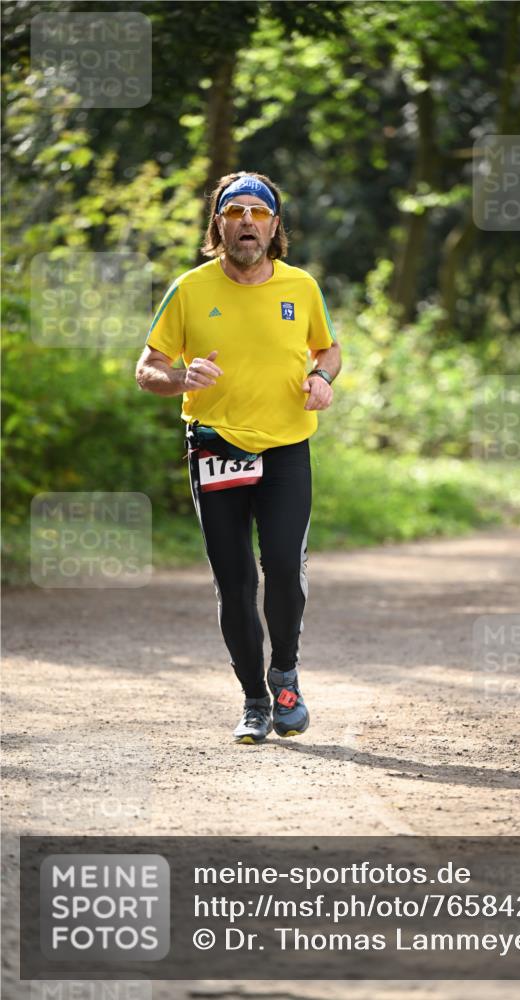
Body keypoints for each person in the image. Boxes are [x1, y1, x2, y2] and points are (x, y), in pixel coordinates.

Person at [135, 171, 342, 744]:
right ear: (218, 225)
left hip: (283, 450)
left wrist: (322, 376)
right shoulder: (190, 289)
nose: (246, 222)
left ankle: (285, 676)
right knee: (234, 580)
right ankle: (254, 699)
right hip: (215, 448)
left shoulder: (301, 287)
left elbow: (328, 346)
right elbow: (146, 370)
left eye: (257, 212)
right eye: (234, 212)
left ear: (275, 226)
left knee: (283, 567)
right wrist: (180, 376)